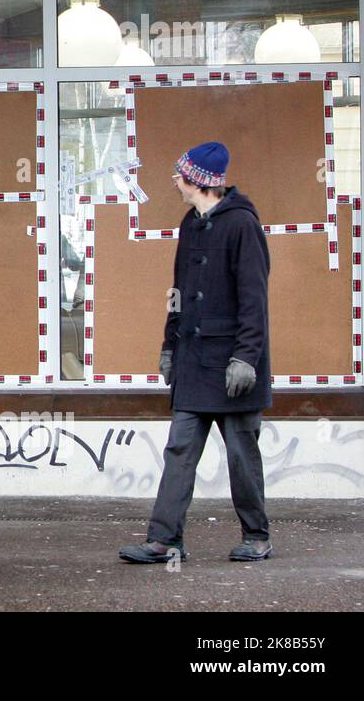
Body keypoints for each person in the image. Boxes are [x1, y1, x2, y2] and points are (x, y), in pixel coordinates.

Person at [119, 141, 273, 564]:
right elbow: (178, 293)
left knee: (243, 457)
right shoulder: (190, 224)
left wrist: (246, 357)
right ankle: (164, 539)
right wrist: (169, 344)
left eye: (180, 174)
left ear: (198, 182)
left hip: (233, 366)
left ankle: (257, 537)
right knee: (180, 450)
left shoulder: (241, 225)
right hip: (193, 362)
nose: (174, 181)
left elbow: (254, 299)